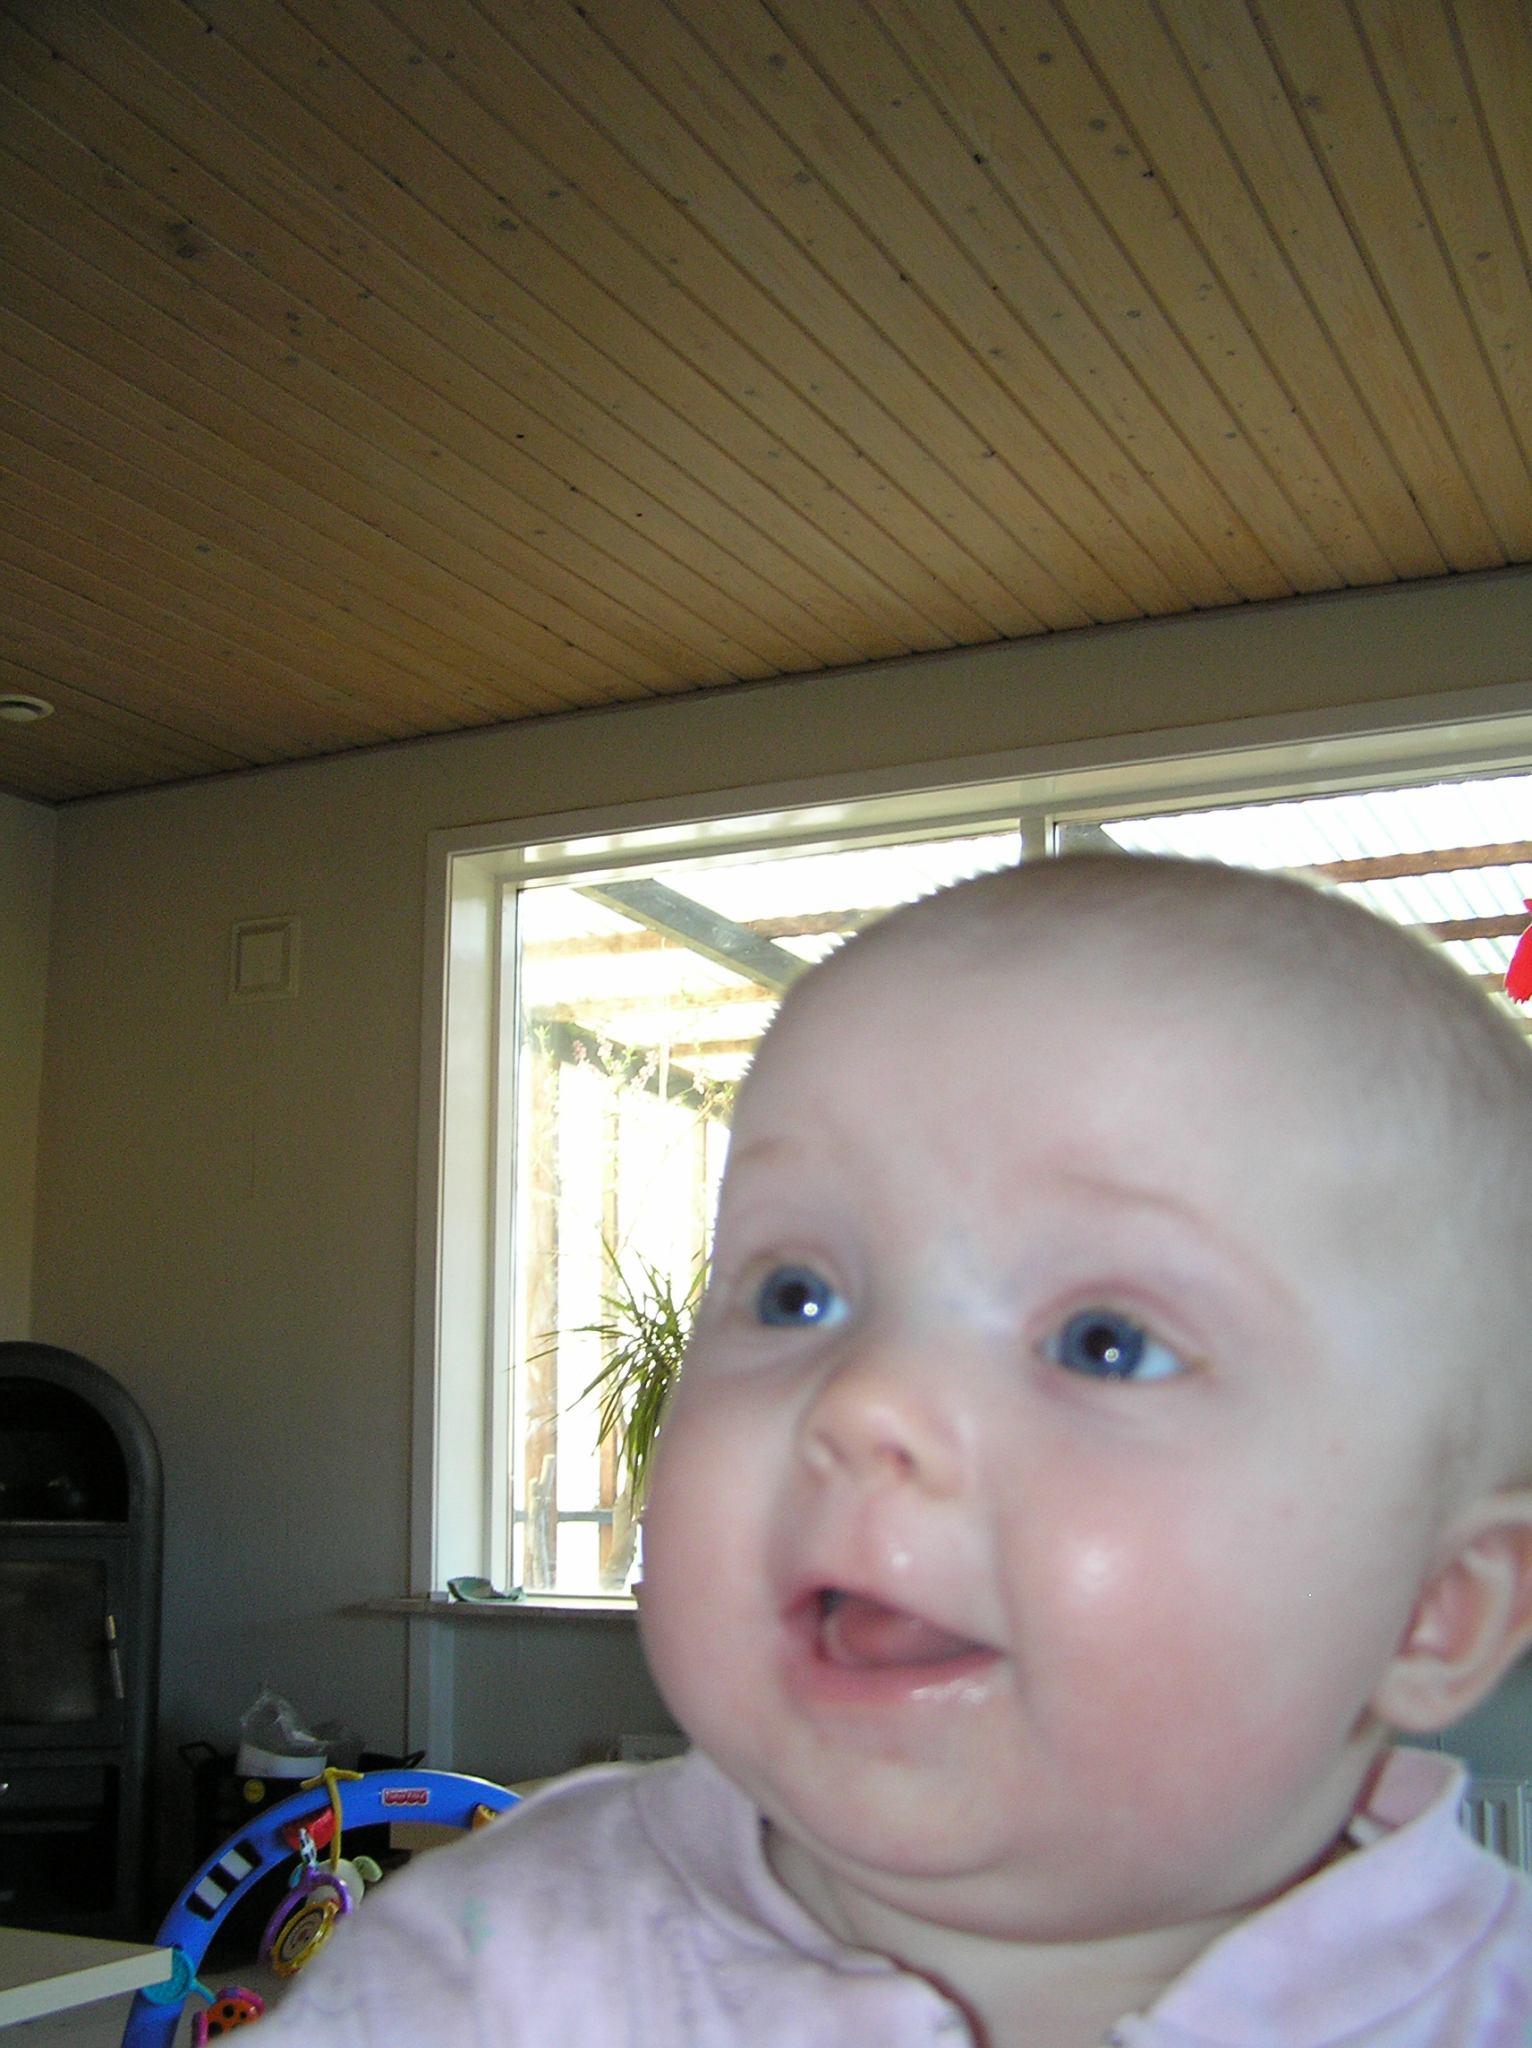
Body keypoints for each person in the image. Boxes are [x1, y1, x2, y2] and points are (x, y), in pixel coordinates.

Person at [264, 854, 1532, 2044]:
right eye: (794, 1294)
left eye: (1103, 1341)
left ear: (1433, 1608)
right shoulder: (479, 1974)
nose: (865, 1398)